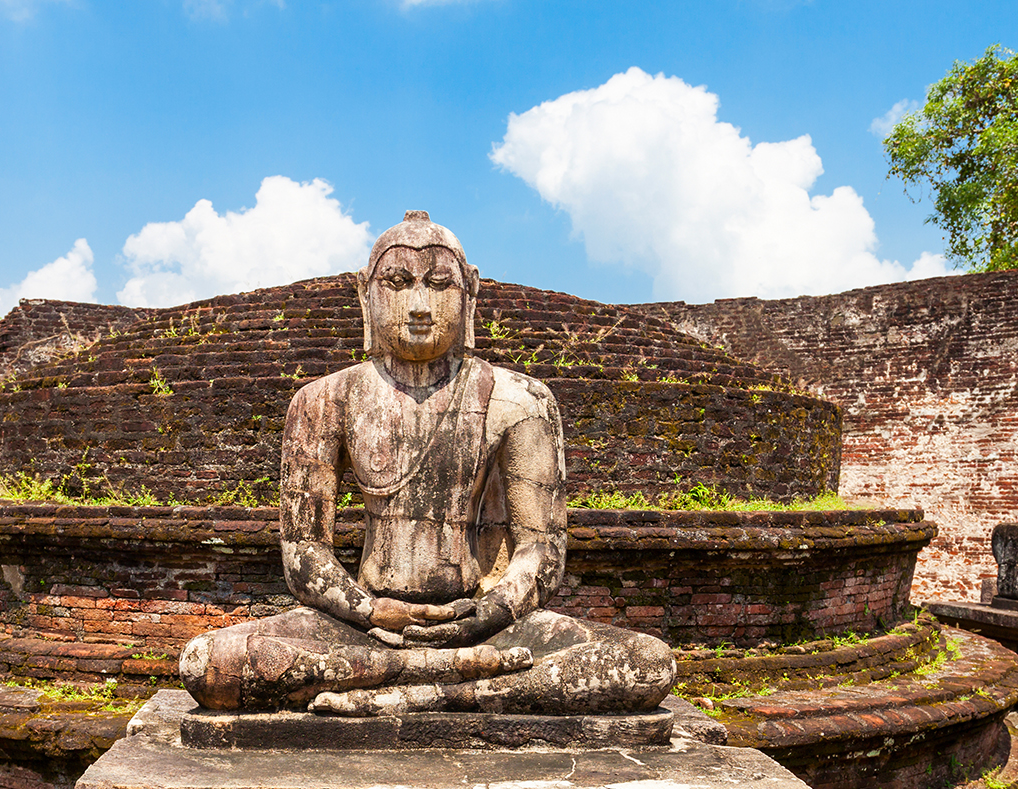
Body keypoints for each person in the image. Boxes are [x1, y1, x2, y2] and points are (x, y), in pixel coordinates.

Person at [179, 212, 674, 716]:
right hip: (364, 627)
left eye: (439, 284)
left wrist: (485, 613)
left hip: (482, 624)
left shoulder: (520, 400)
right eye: (397, 283)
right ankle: (443, 682)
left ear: (470, 293)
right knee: (206, 662)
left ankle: (427, 691)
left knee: (646, 662)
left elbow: (541, 553)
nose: (418, 306)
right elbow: (305, 555)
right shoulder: (323, 400)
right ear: (365, 294)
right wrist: (370, 610)